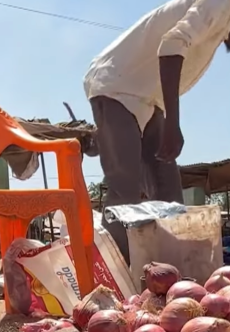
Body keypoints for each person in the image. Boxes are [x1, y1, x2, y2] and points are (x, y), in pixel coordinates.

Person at [83, 0, 230, 262]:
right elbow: (171, 46)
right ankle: (109, 272)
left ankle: (167, 275)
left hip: (150, 100)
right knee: (125, 188)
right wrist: (173, 122)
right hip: (115, 85)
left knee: (168, 195)